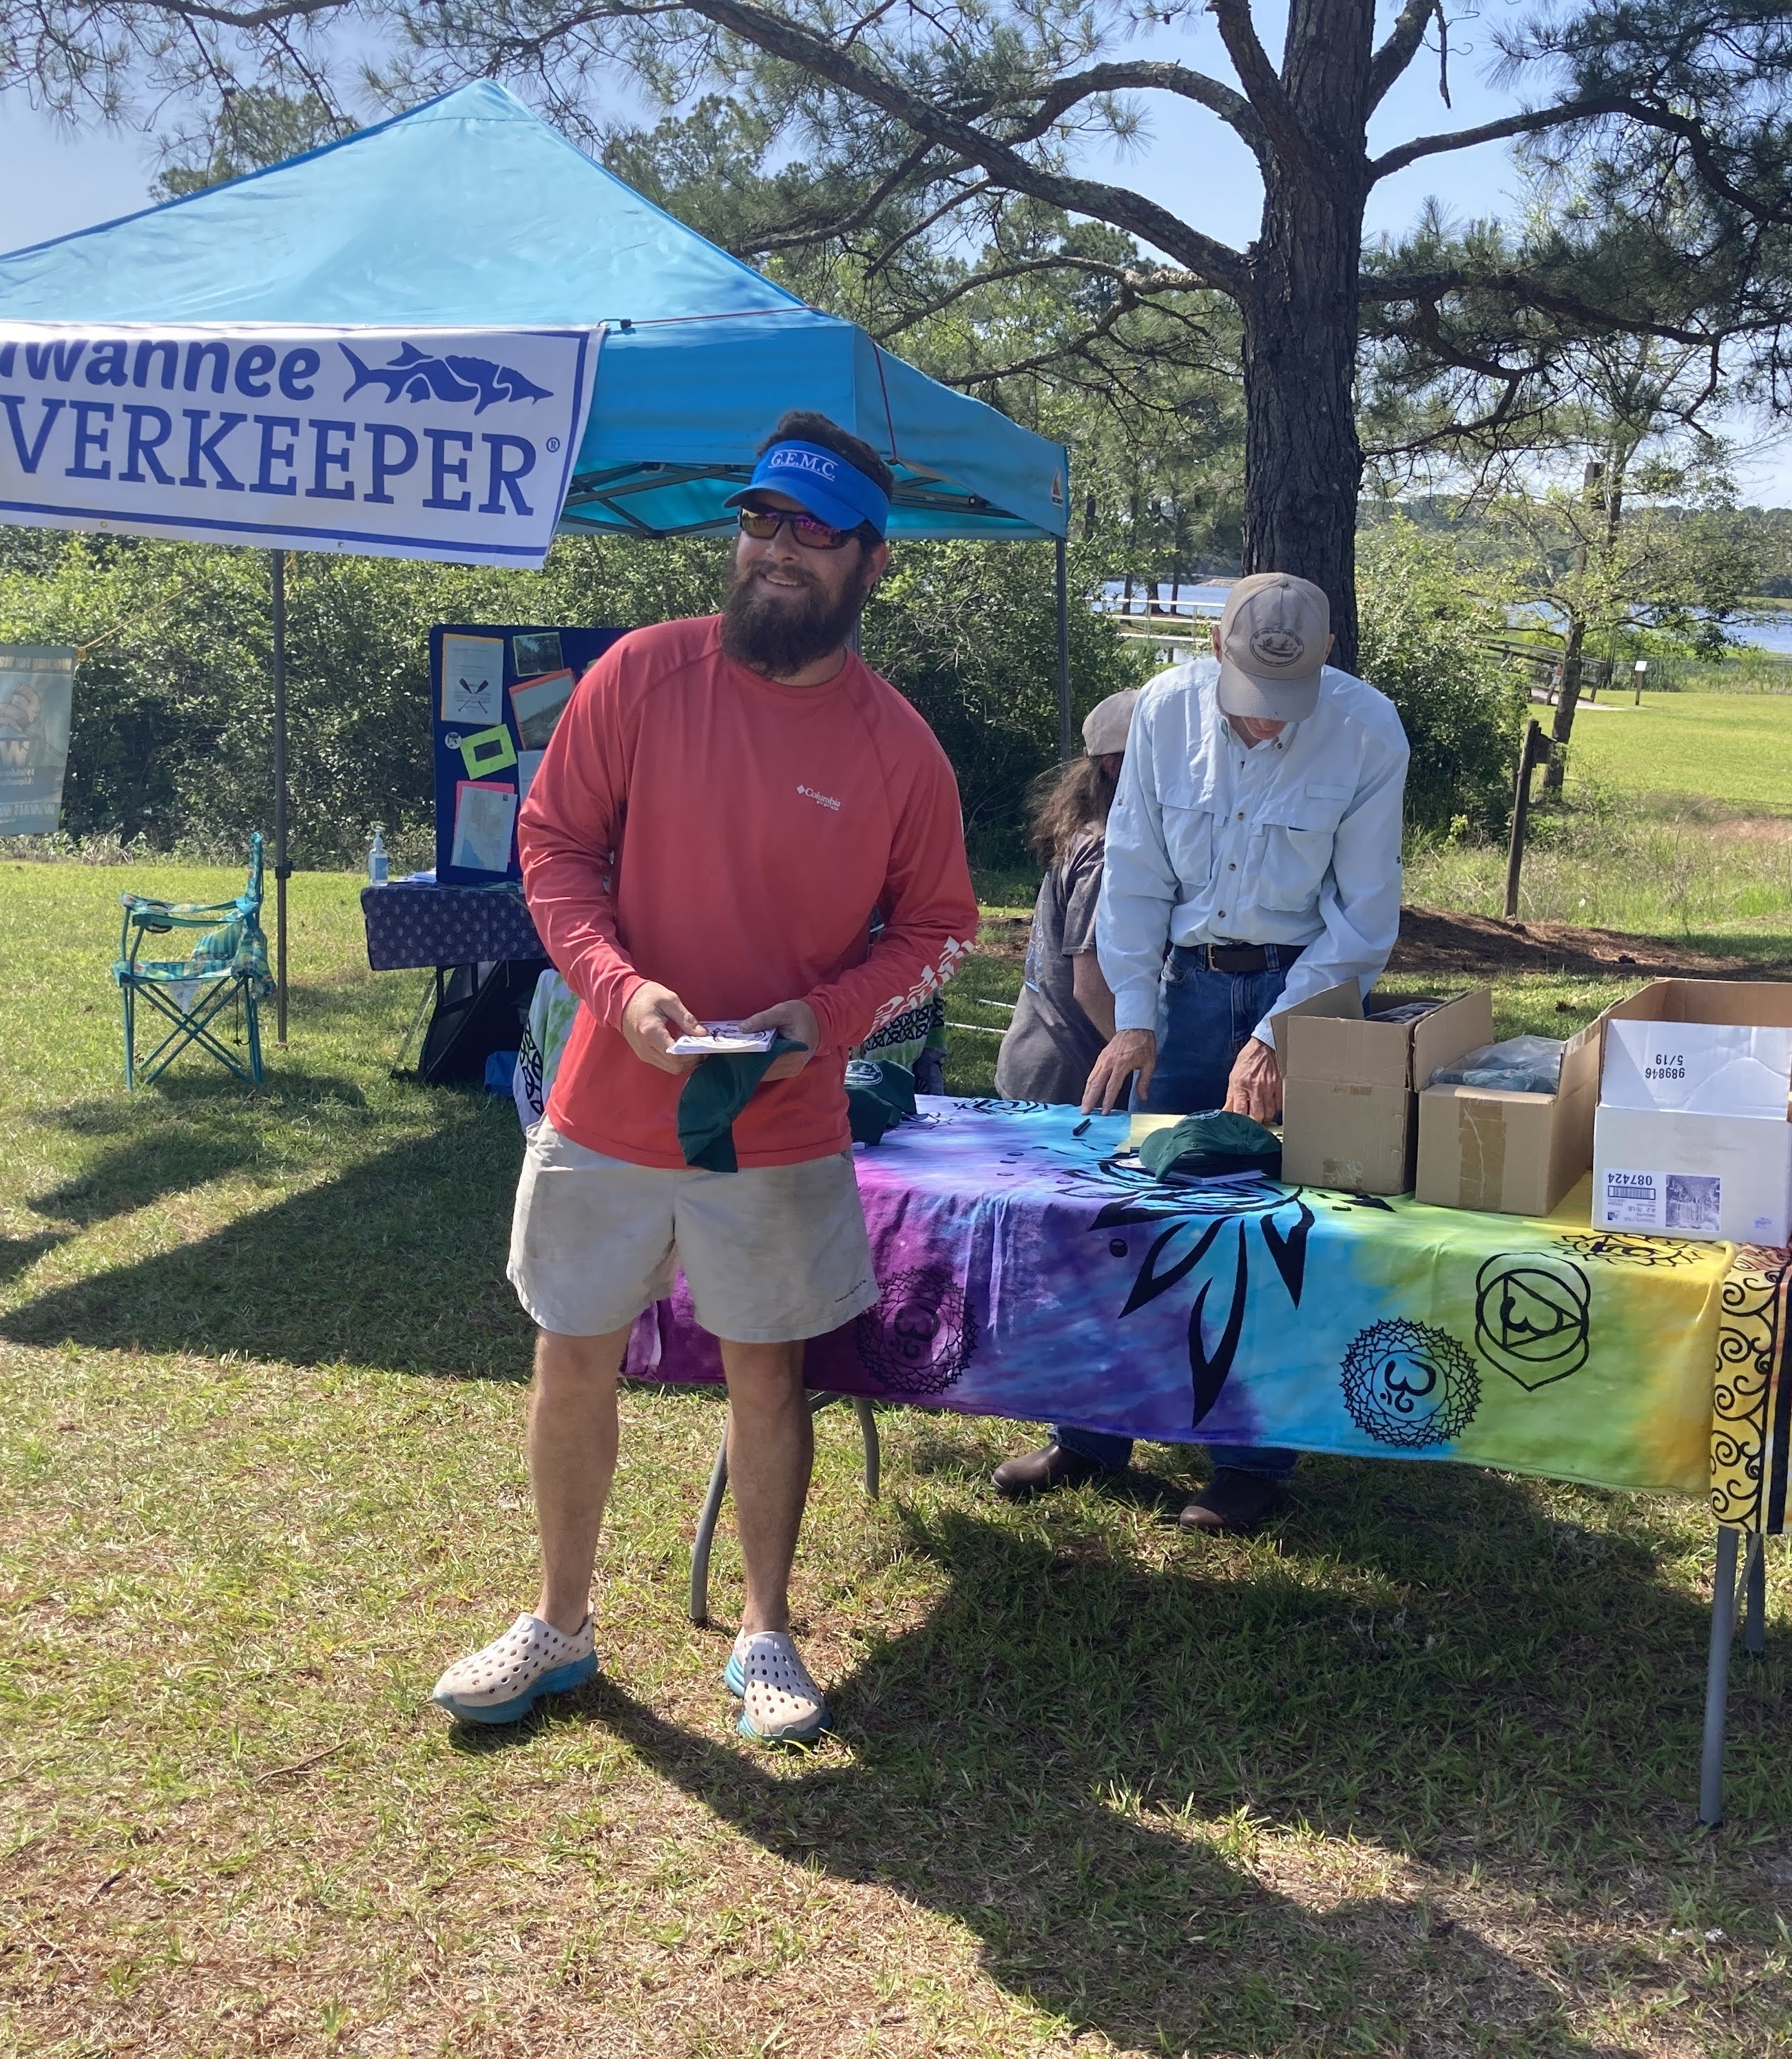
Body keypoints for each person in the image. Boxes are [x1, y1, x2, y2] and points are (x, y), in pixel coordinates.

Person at [431, 411, 980, 1743]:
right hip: (606, 1100)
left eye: (810, 529)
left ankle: (765, 1631)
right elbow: (552, 852)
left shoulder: (899, 746)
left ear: (871, 562)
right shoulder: (640, 676)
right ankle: (558, 1624)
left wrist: (827, 1016)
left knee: (765, 1377)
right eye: (759, 520)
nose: (775, 549)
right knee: (572, 1355)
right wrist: (618, 991)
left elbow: (941, 931)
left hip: (777, 1117)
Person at [992, 572, 1410, 1535]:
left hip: (1308, 987)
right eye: (1251, 707)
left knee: (1269, 1231)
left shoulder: (1369, 729)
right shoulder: (1168, 712)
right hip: (1181, 984)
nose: (1266, 727)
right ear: (1215, 647)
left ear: (1326, 656)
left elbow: (1361, 916)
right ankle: (1091, 1434)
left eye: (1285, 706)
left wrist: (1279, 1035)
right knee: (1130, 1215)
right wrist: (1134, 1011)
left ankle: (1251, 1460)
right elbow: (1134, 872)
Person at [994, 689, 1136, 1104]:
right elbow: (1090, 987)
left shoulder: (1093, 836)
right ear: (1114, 765)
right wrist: (1151, 1062)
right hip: (1066, 1081)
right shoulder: (1106, 852)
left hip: (1043, 1069)